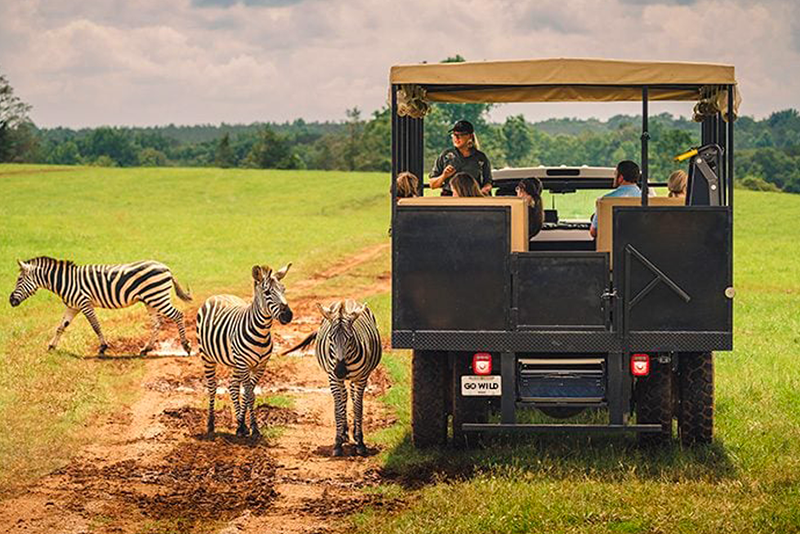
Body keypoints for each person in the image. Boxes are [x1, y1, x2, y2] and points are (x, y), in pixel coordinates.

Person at [429, 120, 492, 197]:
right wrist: (444, 176)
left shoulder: (480, 157)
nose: (456, 138)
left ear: (470, 136)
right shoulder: (445, 156)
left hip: (473, 198)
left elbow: (488, 183)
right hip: (449, 197)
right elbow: (432, 184)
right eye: (454, 135)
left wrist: (483, 191)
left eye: (461, 135)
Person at [589, 160, 641, 238]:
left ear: (621, 178)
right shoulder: (647, 199)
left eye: (615, 174)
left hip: (612, 248)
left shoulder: (606, 200)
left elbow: (594, 232)